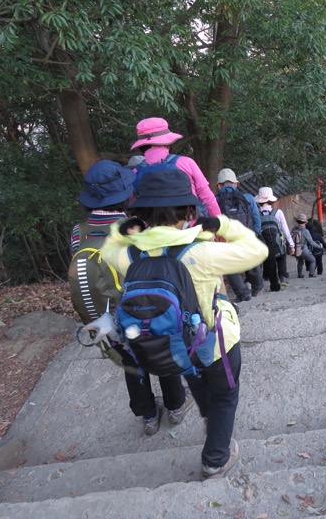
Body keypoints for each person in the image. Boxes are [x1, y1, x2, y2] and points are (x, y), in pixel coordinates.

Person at [101, 168, 267, 479]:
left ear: (142, 216)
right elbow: (257, 250)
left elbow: (108, 250)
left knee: (199, 384)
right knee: (226, 395)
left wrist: (123, 230)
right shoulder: (201, 251)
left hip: (175, 347)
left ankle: (210, 420)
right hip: (214, 342)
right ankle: (216, 458)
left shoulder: (130, 256)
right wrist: (221, 224)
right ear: (189, 212)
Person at [71, 160, 195, 436]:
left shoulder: (79, 232)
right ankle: (175, 406)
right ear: (125, 194)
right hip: (143, 309)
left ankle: (148, 416)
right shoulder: (135, 229)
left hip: (107, 318)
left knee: (130, 363)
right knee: (161, 350)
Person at [130, 117, 221, 218]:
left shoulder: (134, 173)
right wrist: (219, 224)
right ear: (167, 142)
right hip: (189, 227)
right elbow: (207, 196)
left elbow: (134, 206)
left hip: (153, 230)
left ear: (141, 145)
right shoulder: (186, 163)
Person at [215, 168, 263, 302]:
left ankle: (243, 293)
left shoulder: (215, 200)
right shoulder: (247, 198)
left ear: (219, 185)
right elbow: (256, 218)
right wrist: (256, 234)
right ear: (236, 184)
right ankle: (257, 287)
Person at [254, 187, 295, 288]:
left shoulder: (257, 215)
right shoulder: (278, 212)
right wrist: (291, 245)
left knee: (270, 264)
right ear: (271, 200)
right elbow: (285, 229)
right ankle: (283, 277)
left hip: (265, 247)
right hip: (279, 244)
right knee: (282, 258)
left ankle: (274, 286)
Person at [291, 213, 321, 278]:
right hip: (303, 250)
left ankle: (300, 275)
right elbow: (311, 242)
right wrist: (319, 246)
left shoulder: (293, 229)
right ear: (305, 222)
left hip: (295, 249)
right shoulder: (305, 231)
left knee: (300, 261)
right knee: (312, 260)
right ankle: (311, 274)